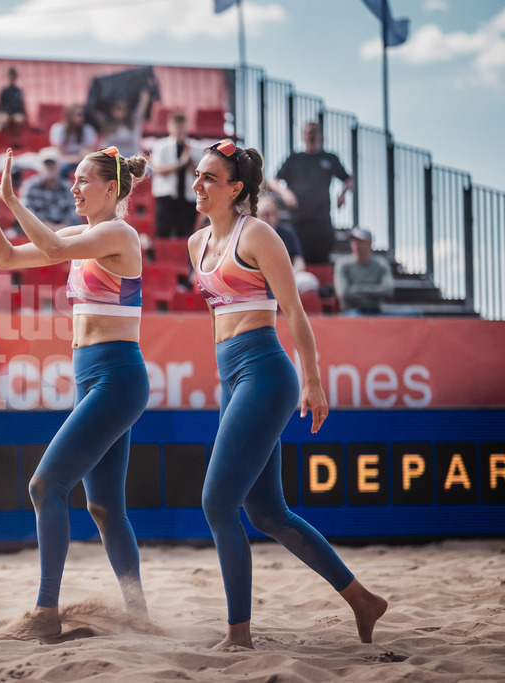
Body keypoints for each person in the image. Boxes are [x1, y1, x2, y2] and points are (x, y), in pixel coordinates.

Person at [187, 139, 387, 649]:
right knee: (267, 513)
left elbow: (295, 312)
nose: (199, 184)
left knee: (216, 503)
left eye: (210, 177)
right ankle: (363, 600)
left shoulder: (259, 235)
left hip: (266, 372)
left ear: (236, 189)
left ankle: (239, 635)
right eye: (198, 175)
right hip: (231, 375)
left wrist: (313, 379)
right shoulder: (197, 243)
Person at [0, 147, 150, 639]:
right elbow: (5, 257)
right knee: (104, 508)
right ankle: (139, 614)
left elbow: (50, 249)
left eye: (82, 181)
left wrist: (11, 198)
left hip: (117, 376)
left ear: (111, 189)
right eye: (72, 180)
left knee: (44, 486)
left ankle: (45, 612)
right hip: (95, 377)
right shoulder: (80, 235)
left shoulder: (119, 233)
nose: (73, 188)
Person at [271, 122, 353, 265]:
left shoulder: (330, 158)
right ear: (304, 136)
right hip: (299, 218)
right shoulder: (294, 159)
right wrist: (285, 192)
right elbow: (273, 181)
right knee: (297, 255)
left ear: (320, 136)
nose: (312, 135)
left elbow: (348, 180)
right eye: (309, 132)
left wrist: (342, 194)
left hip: (322, 218)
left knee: (323, 256)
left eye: (315, 132)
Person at [150, 110, 201, 239]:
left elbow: (201, 173)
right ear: (169, 127)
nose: (179, 129)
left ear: (187, 126)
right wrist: (180, 163)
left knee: (186, 234)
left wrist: (189, 162)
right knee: (163, 232)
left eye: (182, 125)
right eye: (176, 125)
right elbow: (158, 170)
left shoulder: (196, 147)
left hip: (188, 196)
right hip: (166, 195)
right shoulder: (161, 146)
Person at [256, 195, 319, 294]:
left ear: (276, 215)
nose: (266, 219)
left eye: (269, 214)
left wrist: (289, 277)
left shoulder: (287, 232)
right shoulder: (251, 235)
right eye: (263, 215)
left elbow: (299, 261)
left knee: (309, 281)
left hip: (287, 278)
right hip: (260, 280)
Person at [334, 227, 394, 314]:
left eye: (360, 241)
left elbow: (388, 291)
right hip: (351, 312)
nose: (357, 245)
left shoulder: (381, 264)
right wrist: (376, 289)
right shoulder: (342, 264)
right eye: (354, 241)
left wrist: (357, 288)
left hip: (376, 311)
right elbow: (344, 293)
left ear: (369, 243)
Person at [19, 146, 80, 230]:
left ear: (58, 167)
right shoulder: (30, 186)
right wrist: (46, 226)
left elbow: (74, 210)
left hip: (64, 230)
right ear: (40, 166)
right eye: (46, 164)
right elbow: (25, 210)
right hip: (37, 229)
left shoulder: (67, 186)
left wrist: (63, 226)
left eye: (52, 164)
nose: (49, 168)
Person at [94, 88, 150, 157]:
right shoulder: (105, 122)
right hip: (111, 159)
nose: (121, 112)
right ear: (112, 109)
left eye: (124, 108)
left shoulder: (134, 120)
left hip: (131, 157)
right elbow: (94, 109)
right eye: (118, 108)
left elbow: (143, 104)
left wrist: (144, 88)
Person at [48, 104, 98, 173]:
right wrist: (76, 158)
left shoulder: (88, 129)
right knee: (62, 168)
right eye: (78, 114)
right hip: (64, 163)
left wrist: (82, 156)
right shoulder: (58, 129)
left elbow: (89, 152)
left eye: (82, 114)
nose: (81, 117)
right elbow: (59, 155)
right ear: (70, 116)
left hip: (82, 162)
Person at [0, 66, 28, 132]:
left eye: (13, 75)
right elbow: (1, 104)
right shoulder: (4, 91)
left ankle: (16, 140)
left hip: (16, 114)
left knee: (19, 119)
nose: (12, 77)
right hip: (6, 113)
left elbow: (21, 106)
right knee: (3, 120)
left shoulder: (18, 91)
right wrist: (7, 112)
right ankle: (3, 138)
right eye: (10, 75)